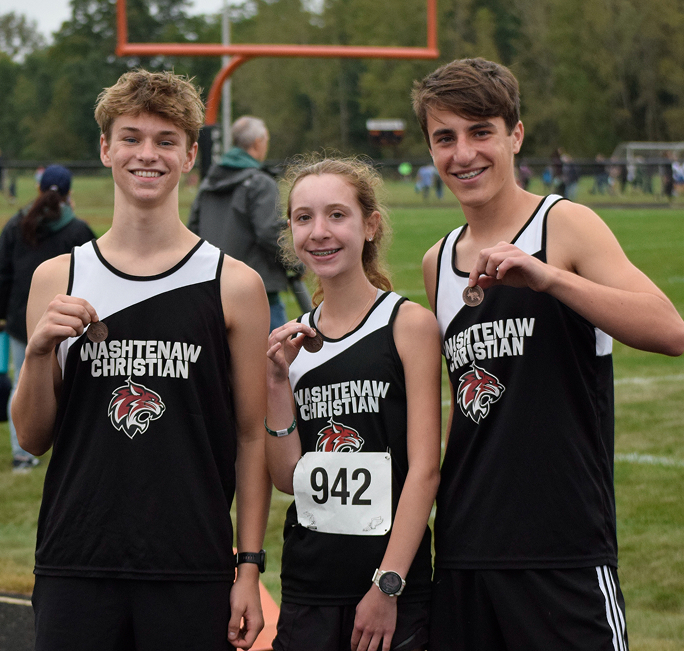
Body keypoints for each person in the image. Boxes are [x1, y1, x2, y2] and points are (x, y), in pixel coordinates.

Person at [412, 57, 684, 651]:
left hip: (564, 542)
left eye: (481, 132)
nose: (463, 153)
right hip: (466, 547)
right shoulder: (438, 261)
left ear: (515, 135)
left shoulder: (563, 224)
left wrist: (550, 279)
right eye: (445, 137)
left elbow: (670, 330)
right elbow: (464, 409)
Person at [12, 69, 272, 651]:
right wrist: (37, 354)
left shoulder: (234, 284)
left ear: (190, 155)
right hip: (76, 560)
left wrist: (249, 567)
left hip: (191, 563)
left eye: (165, 140)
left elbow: (251, 436)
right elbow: (31, 437)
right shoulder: (57, 277)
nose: (147, 154)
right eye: (130, 137)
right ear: (106, 149)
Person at [265, 156, 442, 651]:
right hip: (308, 587)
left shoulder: (407, 324)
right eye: (304, 218)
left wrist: (388, 585)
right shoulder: (293, 342)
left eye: (337, 215)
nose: (319, 232)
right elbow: (287, 479)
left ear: (370, 225)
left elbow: (425, 471)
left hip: (391, 587)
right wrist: (275, 384)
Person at [0, 164, 94, 473]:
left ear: (39, 188)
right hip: (72, 322)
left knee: (24, 381)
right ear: (69, 193)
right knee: (69, 384)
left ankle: (22, 454)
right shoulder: (78, 230)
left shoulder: (16, 224)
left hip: (19, 319)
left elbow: (3, 274)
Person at [189, 115, 290, 331]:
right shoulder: (261, 183)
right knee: (275, 351)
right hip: (259, 293)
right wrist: (296, 263)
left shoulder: (208, 183)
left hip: (213, 290)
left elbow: (193, 231)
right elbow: (270, 233)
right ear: (258, 143)